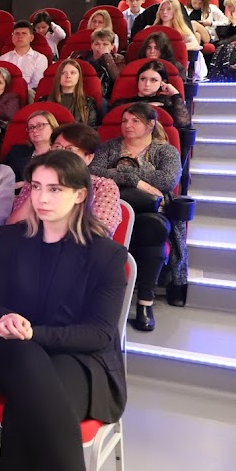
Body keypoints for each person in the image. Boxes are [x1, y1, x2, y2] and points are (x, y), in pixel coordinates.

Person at [0, 150, 127, 471]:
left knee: (27, 410)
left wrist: (34, 334)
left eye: (55, 189)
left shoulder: (107, 255)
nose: (42, 198)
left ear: (80, 195)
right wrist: (5, 319)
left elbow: (99, 333)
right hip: (6, 350)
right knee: (26, 360)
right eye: (36, 187)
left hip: (78, 358)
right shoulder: (12, 239)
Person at [90, 103, 182, 332]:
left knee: (153, 228)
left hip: (150, 211)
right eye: (124, 121)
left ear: (151, 125)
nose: (127, 125)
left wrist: (119, 173)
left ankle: (145, 302)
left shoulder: (165, 151)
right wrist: (138, 181)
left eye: (135, 121)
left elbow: (166, 180)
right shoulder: (110, 146)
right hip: (111, 206)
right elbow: (93, 171)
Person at [8, 123, 122, 235]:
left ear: (89, 157)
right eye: (57, 147)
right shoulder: (35, 181)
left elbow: (99, 234)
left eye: (70, 149)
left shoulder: (102, 186)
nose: (61, 154)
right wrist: (39, 188)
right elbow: (12, 228)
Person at [110, 59, 191, 128]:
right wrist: (148, 106)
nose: (147, 84)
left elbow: (183, 123)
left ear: (162, 82)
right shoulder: (121, 103)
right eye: (143, 79)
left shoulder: (167, 103)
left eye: (154, 80)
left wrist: (175, 94)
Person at [154, 0, 211, 78]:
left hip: (177, 61)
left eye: (169, 9)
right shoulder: (152, 29)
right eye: (162, 10)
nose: (164, 12)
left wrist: (175, 48)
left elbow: (194, 44)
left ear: (175, 12)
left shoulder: (182, 30)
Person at [4, 110, 59, 188]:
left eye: (40, 126)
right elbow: (2, 175)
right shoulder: (16, 151)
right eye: (31, 127)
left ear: (53, 127)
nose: (34, 130)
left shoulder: (62, 153)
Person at [41, 59, 100, 126]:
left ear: (79, 77)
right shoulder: (44, 101)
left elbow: (91, 128)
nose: (68, 76)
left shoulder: (89, 102)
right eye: (63, 73)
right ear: (58, 76)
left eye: (73, 73)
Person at [73, 29, 125, 101]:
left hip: (104, 95)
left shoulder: (118, 59)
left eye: (105, 44)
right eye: (97, 44)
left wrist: (106, 56)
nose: (101, 47)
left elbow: (118, 79)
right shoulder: (79, 56)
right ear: (92, 45)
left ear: (112, 46)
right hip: (80, 91)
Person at [0, 21, 48, 90]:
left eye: (24, 33)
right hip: (6, 92)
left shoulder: (40, 59)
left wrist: (21, 91)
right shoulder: (3, 59)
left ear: (31, 38)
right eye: (17, 33)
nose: (20, 36)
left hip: (30, 92)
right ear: (12, 37)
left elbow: (37, 84)